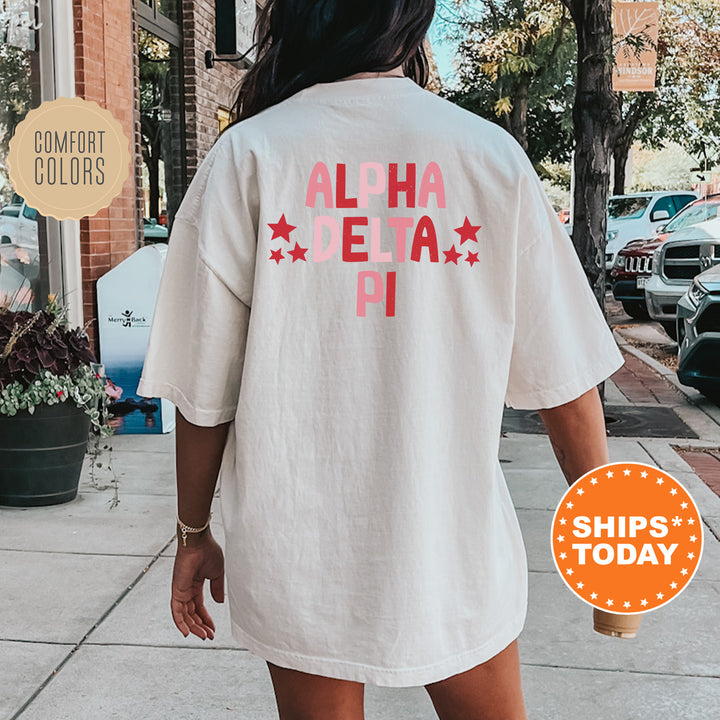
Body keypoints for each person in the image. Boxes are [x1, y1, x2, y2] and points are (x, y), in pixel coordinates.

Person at [137, 1, 624, 718]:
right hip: (452, 548)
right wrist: (609, 545)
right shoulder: (488, 157)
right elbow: (565, 381)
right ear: (413, 18)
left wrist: (192, 532)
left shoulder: (248, 157)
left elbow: (204, 391)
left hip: (301, 552)